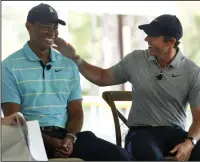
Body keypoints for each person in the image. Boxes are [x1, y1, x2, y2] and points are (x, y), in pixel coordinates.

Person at [53, 14, 200, 161]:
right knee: (148, 156)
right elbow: (102, 77)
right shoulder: (135, 60)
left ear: (170, 42)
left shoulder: (193, 72)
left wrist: (189, 143)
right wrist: (76, 58)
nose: (146, 39)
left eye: (153, 36)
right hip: (141, 133)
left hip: (176, 134)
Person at [1, 3, 130, 161]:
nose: (52, 33)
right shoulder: (9, 66)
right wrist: (52, 143)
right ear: (29, 27)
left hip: (65, 136)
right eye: (46, 27)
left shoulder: (69, 64)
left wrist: (69, 139)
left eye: (55, 28)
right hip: (29, 137)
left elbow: (76, 113)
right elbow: (15, 120)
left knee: (120, 156)